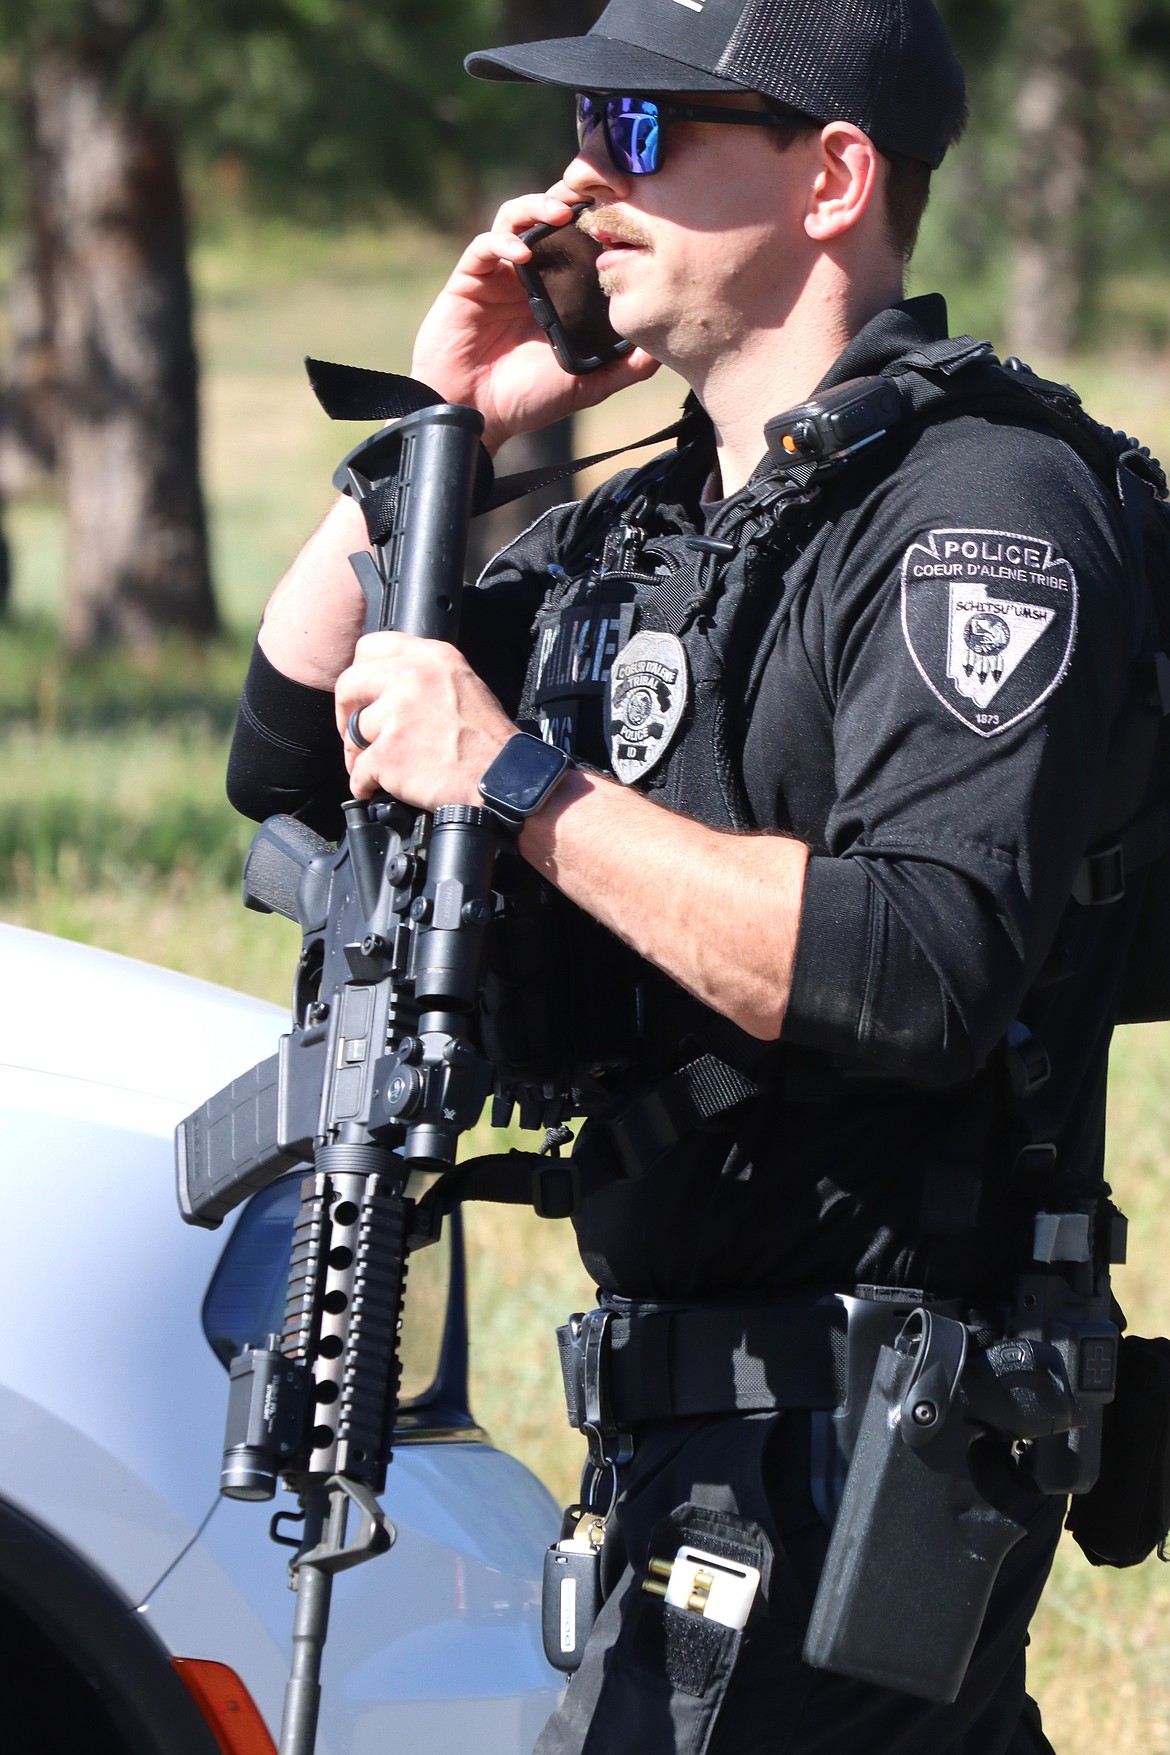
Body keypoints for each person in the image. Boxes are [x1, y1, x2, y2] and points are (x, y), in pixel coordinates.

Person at [227, 2, 1150, 1749]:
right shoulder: (657, 529)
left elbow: (921, 964)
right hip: (682, 1423)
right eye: (583, 133)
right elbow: (283, 755)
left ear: (832, 177)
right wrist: (445, 436)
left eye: (641, 133)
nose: (582, 180)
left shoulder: (981, 516)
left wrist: (512, 772)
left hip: (865, 1431)